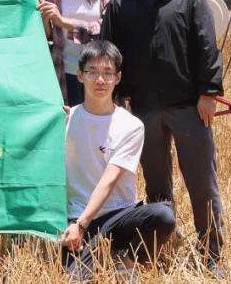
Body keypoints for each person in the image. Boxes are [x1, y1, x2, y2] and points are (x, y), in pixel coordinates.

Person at [101, 0, 227, 278]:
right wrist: (114, 101)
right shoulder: (120, 3)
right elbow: (111, 53)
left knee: (202, 185)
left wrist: (208, 93)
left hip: (189, 106)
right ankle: (163, 250)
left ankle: (212, 255)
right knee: (157, 188)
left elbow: (207, 47)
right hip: (143, 109)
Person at [61, 41, 176, 282]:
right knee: (75, 279)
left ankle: (126, 258)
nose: (100, 80)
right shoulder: (66, 120)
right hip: (78, 216)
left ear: (118, 78)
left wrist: (81, 224)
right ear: (80, 75)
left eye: (107, 73)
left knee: (163, 216)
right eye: (92, 72)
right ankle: (104, 255)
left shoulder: (131, 126)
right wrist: (78, 225)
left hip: (120, 215)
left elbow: (109, 180)